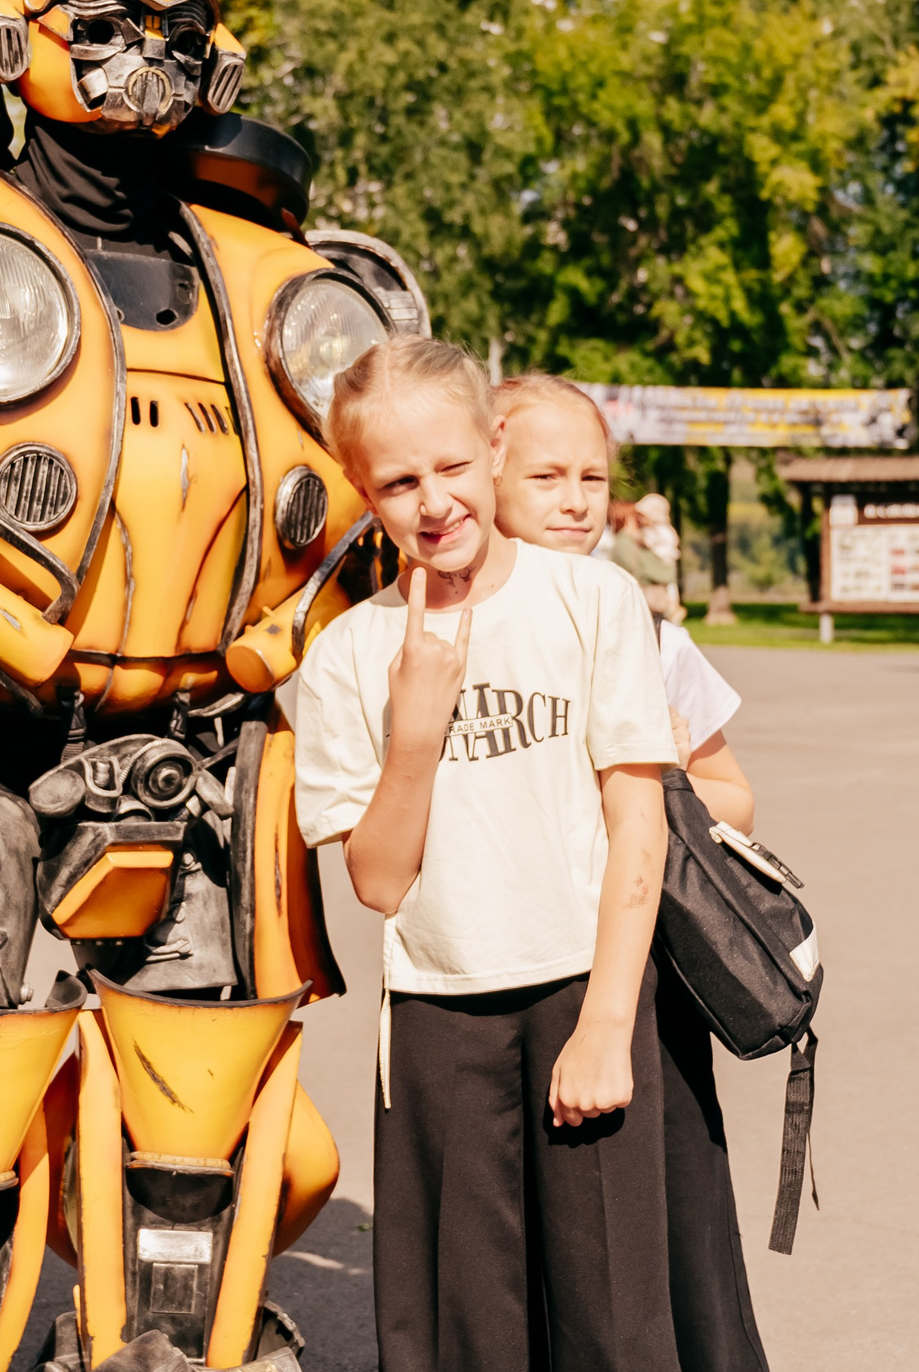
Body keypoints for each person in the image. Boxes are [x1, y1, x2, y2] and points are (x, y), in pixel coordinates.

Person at [294, 337, 684, 1372]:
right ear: (360, 488)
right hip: (437, 1016)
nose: (433, 501)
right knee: (465, 1327)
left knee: (612, 1322)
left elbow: (636, 823)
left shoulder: (590, 603)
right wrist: (413, 730)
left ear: (493, 444)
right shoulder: (345, 656)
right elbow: (376, 882)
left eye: (454, 466)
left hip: (582, 991)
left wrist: (607, 1022)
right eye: (398, 481)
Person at [490, 371, 768, 1369]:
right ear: (486, 477)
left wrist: (675, 768)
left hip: (643, 975)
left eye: (591, 476)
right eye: (546, 474)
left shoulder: (652, 630)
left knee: (661, 1214)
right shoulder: (445, 628)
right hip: (501, 969)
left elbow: (735, 796)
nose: (574, 498)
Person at [611, 496, 684, 622]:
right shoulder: (655, 531)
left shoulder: (661, 531)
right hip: (663, 572)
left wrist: (632, 534)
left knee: (671, 593)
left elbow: (646, 541)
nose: (640, 519)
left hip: (664, 564)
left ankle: (674, 608)